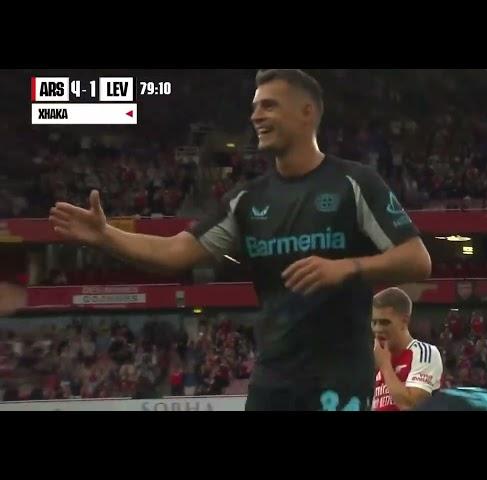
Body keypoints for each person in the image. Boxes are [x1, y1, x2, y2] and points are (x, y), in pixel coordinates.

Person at [4, 69, 431, 411]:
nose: (256, 116)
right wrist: (105, 236)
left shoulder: (355, 183)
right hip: (273, 380)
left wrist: (348, 267)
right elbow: (175, 252)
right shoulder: (246, 200)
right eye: (254, 107)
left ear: (307, 113)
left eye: (269, 105)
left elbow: (417, 259)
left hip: (340, 377)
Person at [371, 287, 442, 411]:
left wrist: (385, 366)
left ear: (404, 321)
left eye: (384, 322)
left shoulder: (424, 353)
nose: (377, 329)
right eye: (374, 322)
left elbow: (412, 405)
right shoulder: (376, 358)